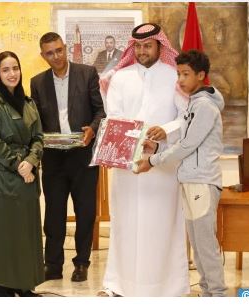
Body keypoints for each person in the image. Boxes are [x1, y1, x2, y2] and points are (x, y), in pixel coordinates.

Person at [98, 23, 189, 297]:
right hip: (128, 167)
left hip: (162, 164)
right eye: (137, 46)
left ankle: (168, 287)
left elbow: (185, 116)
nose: (142, 51)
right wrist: (133, 144)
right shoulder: (120, 78)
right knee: (126, 223)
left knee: (161, 225)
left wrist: (166, 132)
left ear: (160, 46)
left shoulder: (174, 76)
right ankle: (120, 284)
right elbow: (114, 115)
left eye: (147, 45)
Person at [135, 49, 227, 297]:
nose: (180, 79)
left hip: (202, 181)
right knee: (197, 244)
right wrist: (156, 147)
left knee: (205, 245)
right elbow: (185, 142)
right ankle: (207, 292)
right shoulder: (194, 104)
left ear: (201, 75)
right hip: (190, 180)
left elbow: (187, 146)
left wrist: (153, 161)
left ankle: (217, 294)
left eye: (186, 74)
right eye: (178, 74)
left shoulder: (205, 106)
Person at [30, 32, 105, 282]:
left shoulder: (87, 73)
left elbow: (100, 112)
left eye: (59, 50)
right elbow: (36, 119)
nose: (56, 56)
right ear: (43, 56)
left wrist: (92, 129)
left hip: (82, 155)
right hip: (53, 158)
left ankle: (81, 263)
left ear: (65, 49)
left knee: (85, 212)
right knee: (53, 214)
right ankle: (52, 265)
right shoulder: (37, 82)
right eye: (50, 53)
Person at [0, 51, 44, 297]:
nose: (11, 73)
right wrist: (19, 164)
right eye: (5, 70)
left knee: (24, 233)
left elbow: (38, 137)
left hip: (26, 175)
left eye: (15, 68)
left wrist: (32, 160)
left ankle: (23, 284)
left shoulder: (28, 102)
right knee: (1, 234)